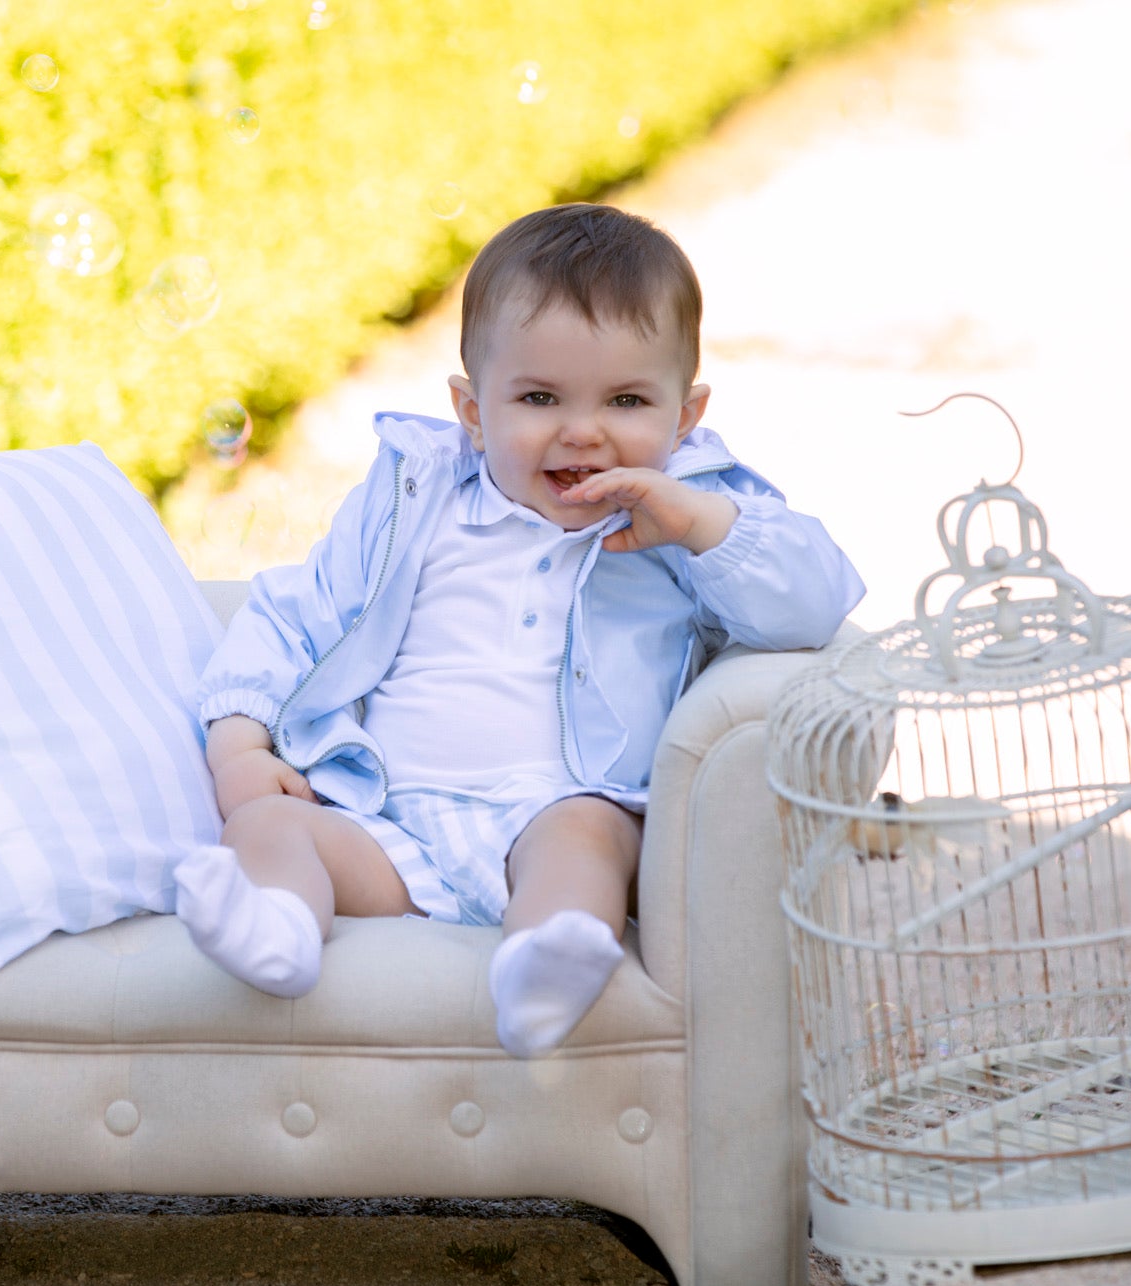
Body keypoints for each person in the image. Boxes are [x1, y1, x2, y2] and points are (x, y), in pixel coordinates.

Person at [175, 202, 864, 1057]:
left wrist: (702, 523)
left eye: (627, 399)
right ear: (471, 408)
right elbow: (293, 610)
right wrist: (239, 741)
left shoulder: (682, 512)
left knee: (591, 840)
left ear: (685, 416)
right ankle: (275, 927)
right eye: (538, 397)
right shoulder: (415, 501)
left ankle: (543, 965)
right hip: (386, 814)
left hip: (558, 802)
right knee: (268, 829)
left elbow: (814, 600)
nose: (582, 429)